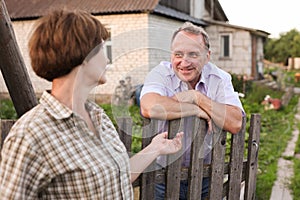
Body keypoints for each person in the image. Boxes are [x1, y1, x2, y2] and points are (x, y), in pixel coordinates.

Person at [0, 10, 184, 199]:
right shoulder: (30, 136)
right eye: (103, 49)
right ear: (82, 54)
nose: (107, 59)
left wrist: (155, 148)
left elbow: (117, 177)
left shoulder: (98, 116)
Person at [140, 22, 244, 199]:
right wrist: (196, 110)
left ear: (207, 56)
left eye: (193, 54)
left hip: (204, 172)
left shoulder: (219, 78)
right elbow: (149, 106)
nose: (184, 62)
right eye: (178, 54)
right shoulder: (160, 73)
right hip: (163, 174)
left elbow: (235, 122)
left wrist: (197, 97)